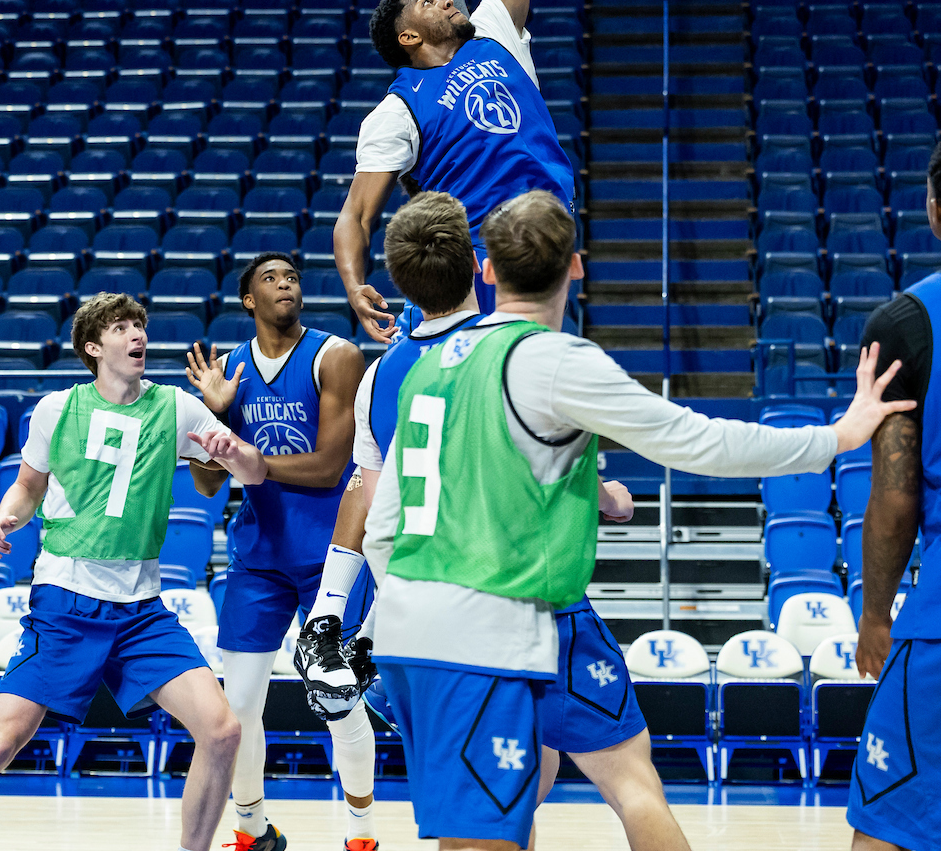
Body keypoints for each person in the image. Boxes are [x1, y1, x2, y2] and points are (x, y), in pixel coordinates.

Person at [363, 190, 915, 851]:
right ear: (576, 266)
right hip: (486, 626)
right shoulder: (552, 360)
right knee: (522, 822)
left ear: (488, 269)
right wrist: (837, 436)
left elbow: (381, 529)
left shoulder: (426, 369)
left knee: (515, 807)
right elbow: (699, 442)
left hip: (427, 628)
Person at [0, 292, 266, 851]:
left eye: (139, 324)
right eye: (121, 327)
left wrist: (231, 451)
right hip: (66, 600)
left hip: (142, 610)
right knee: (4, 738)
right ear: (93, 347)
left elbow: (255, 473)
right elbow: (28, 486)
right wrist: (9, 515)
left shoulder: (177, 407)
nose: (137, 334)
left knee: (222, 731)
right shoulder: (57, 409)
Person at [334, 0, 576, 345]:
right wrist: (352, 282)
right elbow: (356, 215)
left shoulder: (493, 34)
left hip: (548, 244)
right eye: (428, 0)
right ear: (408, 37)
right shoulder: (398, 111)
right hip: (471, 266)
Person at [184, 254, 376, 851]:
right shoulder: (228, 370)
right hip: (259, 556)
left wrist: (251, 462)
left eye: (291, 276)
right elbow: (207, 484)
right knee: (238, 706)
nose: (285, 282)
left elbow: (330, 467)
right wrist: (217, 413)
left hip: (332, 555)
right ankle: (253, 830)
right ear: (249, 300)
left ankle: (362, 834)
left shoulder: (336, 356)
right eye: (270, 278)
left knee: (338, 699)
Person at [295, 191, 483, 706]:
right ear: (477, 263)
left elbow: (371, 495)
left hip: (404, 576)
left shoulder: (379, 371)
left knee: (379, 476)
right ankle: (365, 637)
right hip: (479, 585)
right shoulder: (505, 350)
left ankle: (343, 627)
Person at [846, 141, 941, 851]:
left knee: (887, 826)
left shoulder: (907, 325)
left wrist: (876, 613)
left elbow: (896, 499)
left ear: (934, 211)